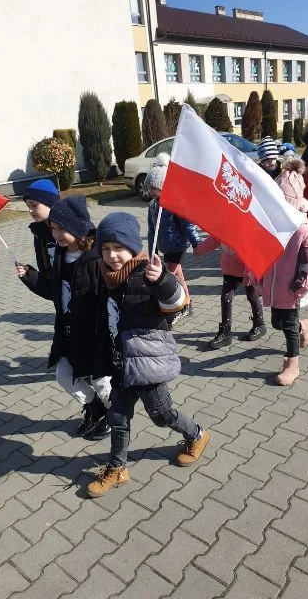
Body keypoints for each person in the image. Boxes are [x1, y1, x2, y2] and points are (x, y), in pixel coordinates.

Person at [85, 212, 210, 498]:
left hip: (147, 367)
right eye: (105, 249)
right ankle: (117, 468)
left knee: (162, 415)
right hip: (121, 367)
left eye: (118, 247)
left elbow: (177, 302)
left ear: (132, 246)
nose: (112, 255)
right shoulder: (108, 280)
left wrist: (162, 280)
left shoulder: (146, 275)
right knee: (118, 418)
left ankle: (197, 435)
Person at [16, 196, 111, 439]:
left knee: (102, 382)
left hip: (95, 334)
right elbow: (54, 292)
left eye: (62, 228)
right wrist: (31, 277)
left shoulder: (96, 259)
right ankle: (93, 407)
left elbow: (107, 298)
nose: (56, 234)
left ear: (78, 228)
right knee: (64, 376)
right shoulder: (59, 256)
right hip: (68, 332)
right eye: (54, 228)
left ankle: (114, 415)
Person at [260, 158, 308, 385]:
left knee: (287, 327)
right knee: (277, 323)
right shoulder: (273, 228)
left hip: (293, 289)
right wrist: (258, 276)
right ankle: (304, 325)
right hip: (275, 287)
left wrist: (301, 288)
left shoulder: (303, 231)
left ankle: (292, 364)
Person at [146, 153, 200, 324]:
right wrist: (152, 251)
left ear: (164, 187)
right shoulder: (153, 206)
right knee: (179, 276)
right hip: (165, 246)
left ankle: (176, 307)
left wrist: (197, 243)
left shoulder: (174, 204)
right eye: (149, 188)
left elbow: (188, 224)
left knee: (169, 277)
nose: (151, 192)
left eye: (155, 189)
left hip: (177, 246)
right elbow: (151, 230)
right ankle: (188, 303)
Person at [193, 237, 266, 348]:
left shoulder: (246, 228)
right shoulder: (226, 225)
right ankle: (225, 332)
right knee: (226, 298)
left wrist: (248, 274)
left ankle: (260, 324)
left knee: (253, 296)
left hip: (247, 270)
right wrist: (200, 249)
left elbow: (251, 251)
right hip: (229, 268)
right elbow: (214, 239)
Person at [21, 179, 60, 279]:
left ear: (50, 203)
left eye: (34, 205)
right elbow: (46, 275)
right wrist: (29, 275)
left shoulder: (68, 229)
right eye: (28, 206)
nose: (30, 210)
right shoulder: (39, 233)